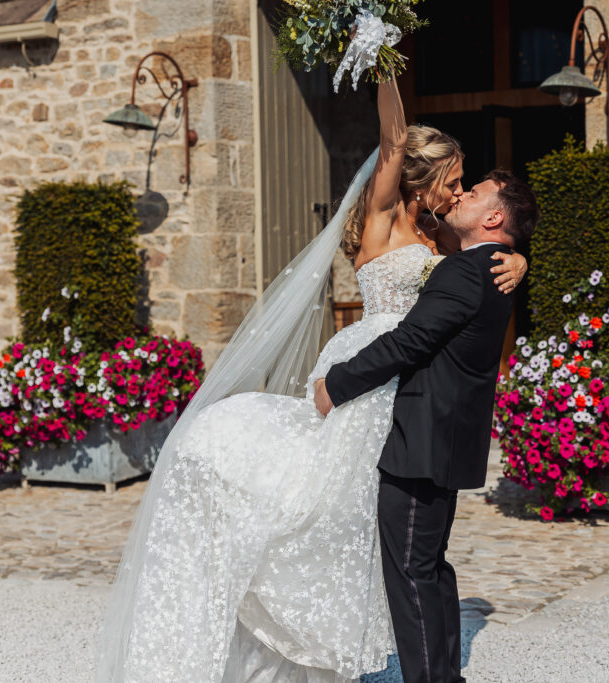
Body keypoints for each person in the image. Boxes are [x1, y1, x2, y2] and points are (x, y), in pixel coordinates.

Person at [94, 76, 529, 682]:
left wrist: (518, 254)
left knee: (363, 524)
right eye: (452, 180)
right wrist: (379, 54)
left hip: (400, 385)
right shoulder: (382, 216)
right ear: (419, 177)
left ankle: (361, 640)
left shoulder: (443, 239)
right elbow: (393, 135)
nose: (457, 192)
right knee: (315, 504)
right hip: (367, 368)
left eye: (464, 185)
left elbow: (474, 279)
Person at [314, 167, 538, 683]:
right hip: (448, 435)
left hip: (422, 435)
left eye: (474, 192)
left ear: (494, 217)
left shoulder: (462, 271)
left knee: (412, 571)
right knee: (430, 565)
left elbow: (409, 341)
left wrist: (336, 386)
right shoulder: (494, 267)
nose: (461, 195)